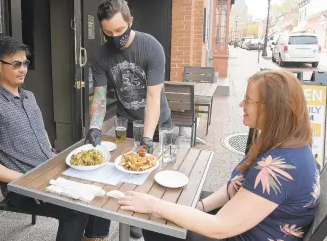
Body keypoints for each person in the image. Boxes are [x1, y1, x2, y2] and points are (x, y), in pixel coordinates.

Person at [118, 70, 320, 241]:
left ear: (273, 110)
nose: (241, 104)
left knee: (156, 223)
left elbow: (221, 227)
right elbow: (238, 185)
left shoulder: (278, 169)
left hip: (239, 233)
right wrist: (200, 206)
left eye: (248, 100)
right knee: (176, 204)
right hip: (246, 223)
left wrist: (154, 205)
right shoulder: (283, 143)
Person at [0, 37, 110, 241]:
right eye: (16, 64)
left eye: (25, 63)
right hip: (20, 186)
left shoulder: (29, 97)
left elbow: (40, 132)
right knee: (76, 210)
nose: (23, 69)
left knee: (100, 188)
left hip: (49, 171)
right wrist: (24, 180)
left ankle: (94, 238)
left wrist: (53, 156)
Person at [83, 0, 171, 238]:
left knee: (155, 179)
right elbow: (99, 96)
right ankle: (129, 220)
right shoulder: (101, 56)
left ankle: (154, 228)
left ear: (131, 21)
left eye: (120, 30)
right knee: (127, 174)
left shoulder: (151, 47)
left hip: (157, 123)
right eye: (108, 32)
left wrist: (148, 138)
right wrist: (95, 127)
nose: (115, 37)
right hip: (127, 122)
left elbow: (154, 97)